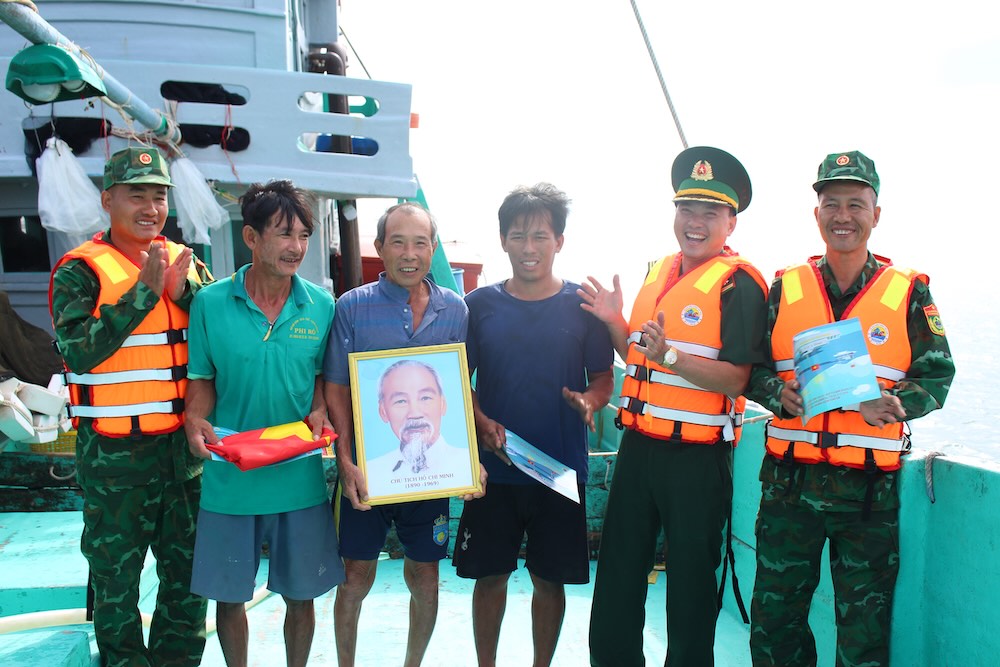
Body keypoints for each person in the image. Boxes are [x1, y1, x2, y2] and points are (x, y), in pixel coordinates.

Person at [746, 151, 955, 667]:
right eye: (832, 203)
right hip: (788, 488)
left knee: (862, 633)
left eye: (856, 204)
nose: (843, 215)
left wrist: (895, 404)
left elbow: (937, 375)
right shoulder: (784, 286)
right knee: (775, 624)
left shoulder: (909, 291)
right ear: (816, 213)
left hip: (867, 495)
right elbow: (748, 367)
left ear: (876, 214)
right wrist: (777, 394)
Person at [581, 146, 769, 666]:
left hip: (697, 460)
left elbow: (737, 380)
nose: (696, 222)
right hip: (639, 448)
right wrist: (615, 321)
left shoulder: (740, 283)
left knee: (689, 586)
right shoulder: (658, 270)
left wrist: (672, 355)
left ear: (731, 221)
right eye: (687, 209)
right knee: (617, 573)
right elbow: (639, 360)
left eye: (711, 212)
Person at [49, 146, 211, 666]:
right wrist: (141, 295)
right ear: (108, 199)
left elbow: (215, 338)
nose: (149, 206)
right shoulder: (79, 271)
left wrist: (181, 291)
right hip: (114, 460)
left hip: (180, 456)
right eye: (135, 194)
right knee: (116, 578)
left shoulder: (189, 265)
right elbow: (79, 352)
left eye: (159, 195)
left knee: (187, 578)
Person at [451, 183, 614, 667]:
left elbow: (603, 379)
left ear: (559, 241)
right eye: (518, 236)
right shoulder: (477, 306)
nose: (529, 248)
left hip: (560, 469)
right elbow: (460, 380)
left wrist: (590, 401)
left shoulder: (582, 306)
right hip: (493, 469)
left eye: (541, 236)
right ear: (503, 240)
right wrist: (478, 420)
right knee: (490, 577)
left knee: (550, 579)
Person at [184, 180, 345, 667]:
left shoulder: (322, 305)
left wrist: (319, 408)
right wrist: (194, 419)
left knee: (303, 595)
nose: (295, 247)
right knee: (228, 597)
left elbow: (321, 377)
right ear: (250, 238)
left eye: (303, 236)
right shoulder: (210, 303)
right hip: (231, 475)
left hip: (299, 476)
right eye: (282, 234)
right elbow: (202, 380)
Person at [323, 201, 486, 667]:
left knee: (427, 579)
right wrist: (346, 458)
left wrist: (467, 456)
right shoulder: (352, 307)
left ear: (432, 249)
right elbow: (336, 387)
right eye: (398, 242)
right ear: (380, 248)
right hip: (367, 472)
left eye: (420, 242)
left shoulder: (455, 310)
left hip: (430, 473)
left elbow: (457, 387)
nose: (409, 253)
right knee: (355, 577)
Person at [364, 359, 473, 497]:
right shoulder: (371, 473)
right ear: (383, 412)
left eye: (425, 398)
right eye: (401, 401)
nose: (414, 414)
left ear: (443, 404)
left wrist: (471, 473)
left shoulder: (466, 466)